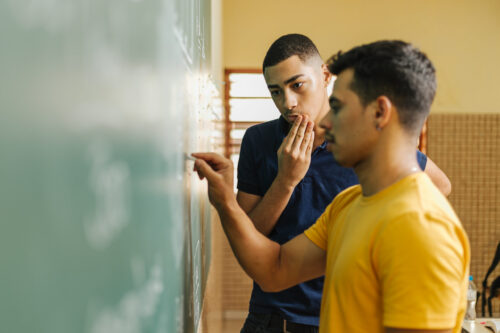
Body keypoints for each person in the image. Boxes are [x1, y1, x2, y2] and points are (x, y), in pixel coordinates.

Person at [193, 40, 469, 333]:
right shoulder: (348, 205)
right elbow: (274, 270)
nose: (322, 126)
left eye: (336, 107)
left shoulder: (424, 230)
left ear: (379, 113)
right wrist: (225, 201)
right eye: (276, 91)